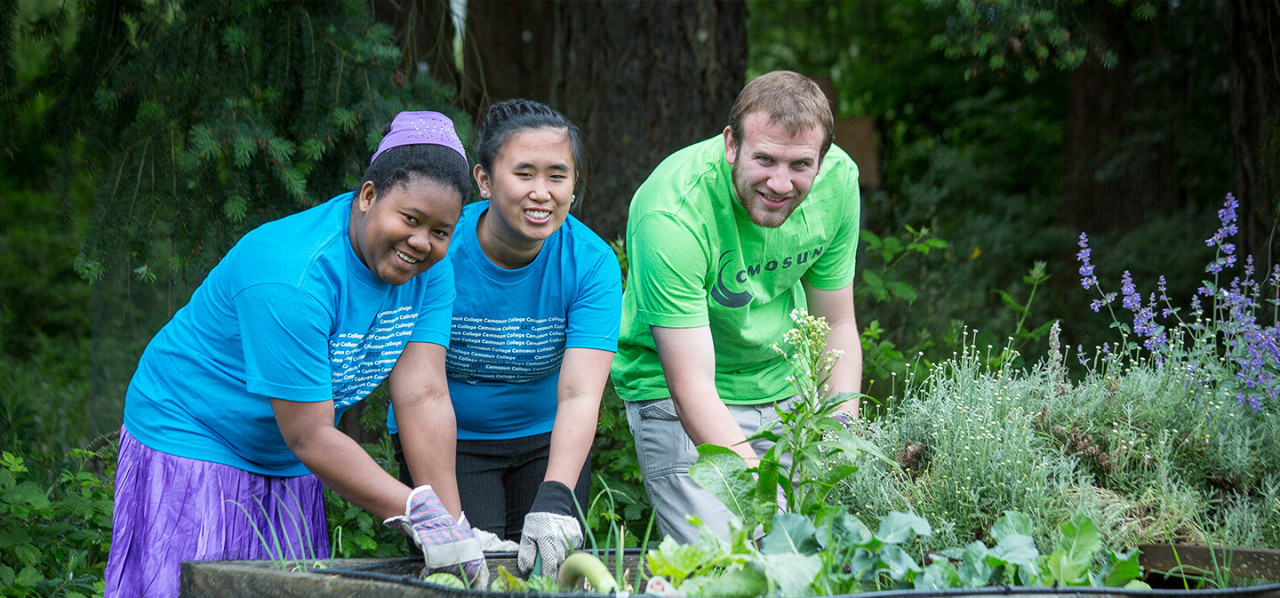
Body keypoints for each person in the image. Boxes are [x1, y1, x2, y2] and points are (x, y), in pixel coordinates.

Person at [105, 111, 489, 597]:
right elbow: (310, 435)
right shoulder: (294, 276)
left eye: (440, 231)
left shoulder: (430, 270)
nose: (422, 242)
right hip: (194, 435)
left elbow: (424, 396)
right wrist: (414, 510)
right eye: (410, 219)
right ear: (368, 197)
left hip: (290, 454)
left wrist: (451, 527)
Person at [610, 71, 864, 544]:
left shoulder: (839, 185)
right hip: (679, 394)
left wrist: (840, 429)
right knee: (734, 563)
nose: (780, 183)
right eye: (764, 159)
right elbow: (691, 387)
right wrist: (765, 498)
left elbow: (837, 323)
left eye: (800, 165)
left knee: (826, 557)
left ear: (822, 161)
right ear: (732, 145)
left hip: (786, 390)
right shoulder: (672, 212)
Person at [388, 99, 621, 577]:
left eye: (558, 176)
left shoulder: (591, 263)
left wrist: (556, 497)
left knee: (550, 575)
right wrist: (452, 527)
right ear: (485, 180)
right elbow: (421, 390)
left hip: (546, 443)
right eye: (524, 174)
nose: (542, 193)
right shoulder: (437, 250)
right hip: (452, 444)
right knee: (471, 575)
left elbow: (580, 393)